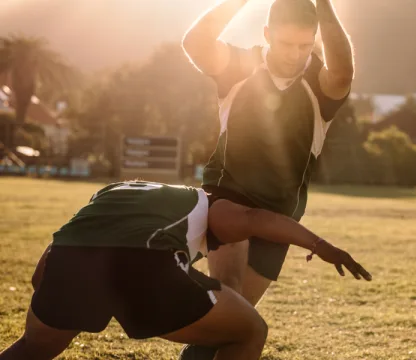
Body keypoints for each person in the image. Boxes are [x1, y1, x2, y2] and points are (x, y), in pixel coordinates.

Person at [0, 181, 371, 360]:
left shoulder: (114, 191)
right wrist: (321, 246)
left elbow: (56, 252)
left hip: (70, 259)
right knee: (249, 331)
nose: (219, 248)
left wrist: (54, 298)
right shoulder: (203, 203)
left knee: (33, 348)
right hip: (145, 264)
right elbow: (255, 219)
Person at [181, 0, 353, 356]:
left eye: (305, 45)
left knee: (237, 323)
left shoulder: (320, 87)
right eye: (287, 44)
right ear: (266, 35)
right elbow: (195, 44)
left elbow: (344, 71)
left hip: (279, 218)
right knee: (223, 304)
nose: (296, 54)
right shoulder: (240, 66)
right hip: (227, 200)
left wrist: (323, 3)